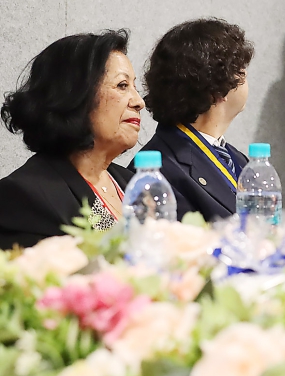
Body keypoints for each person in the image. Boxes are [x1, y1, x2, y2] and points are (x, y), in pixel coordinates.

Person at [0, 31, 144, 249]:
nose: (139, 101)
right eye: (122, 85)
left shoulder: (130, 182)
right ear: (75, 94)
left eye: (135, 87)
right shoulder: (25, 195)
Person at [133, 19, 254, 222]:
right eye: (241, 73)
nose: (246, 78)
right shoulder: (157, 173)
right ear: (218, 89)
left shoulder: (238, 159)